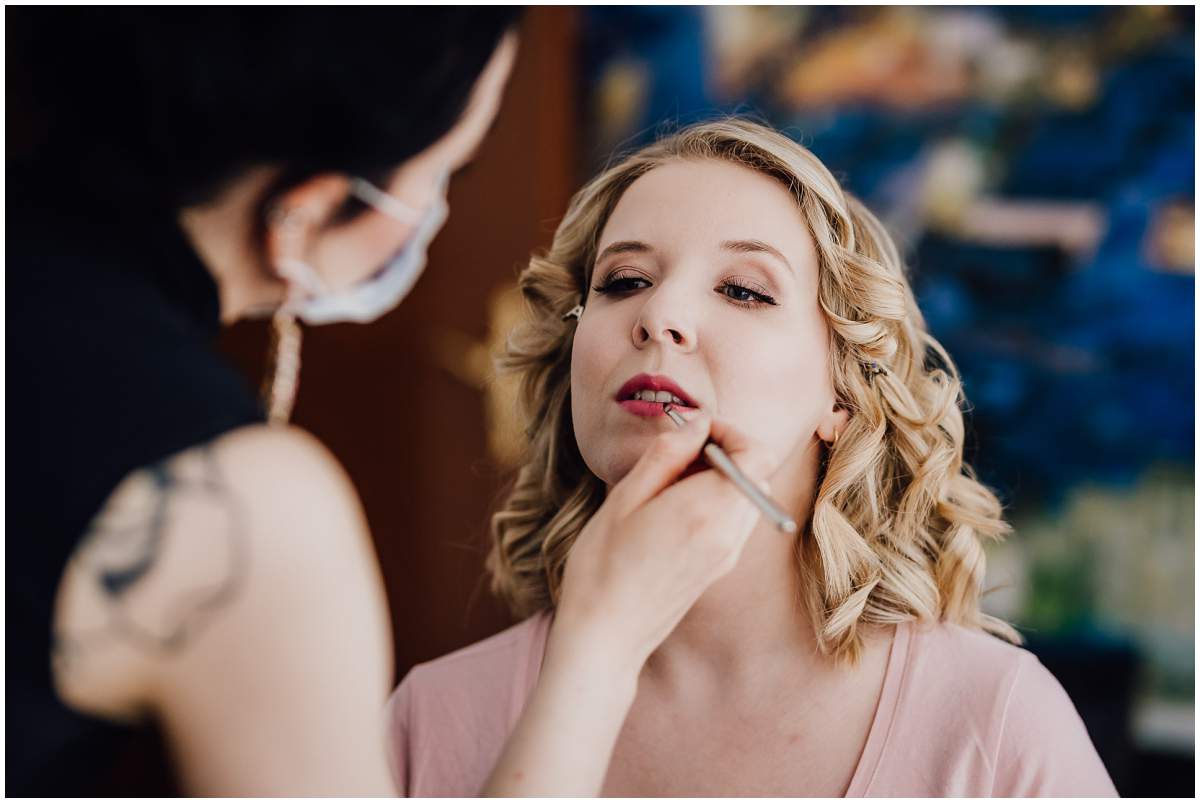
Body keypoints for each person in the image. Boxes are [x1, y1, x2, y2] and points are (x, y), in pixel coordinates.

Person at [10, 9, 781, 795]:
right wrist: (603, 641)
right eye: (446, 171)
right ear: (304, 210)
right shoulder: (245, 513)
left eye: (747, 290)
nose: (662, 318)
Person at [385, 119, 1120, 796]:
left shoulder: (994, 722)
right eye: (624, 281)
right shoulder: (432, 716)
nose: (659, 316)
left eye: (742, 290)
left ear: (842, 393)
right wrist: (595, 656)